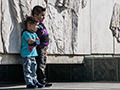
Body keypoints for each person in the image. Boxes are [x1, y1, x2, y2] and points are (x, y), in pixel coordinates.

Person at [32, 5, 52, 87]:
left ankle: (43, 80)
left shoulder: (41, 24)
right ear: (35, 15)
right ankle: (41, 81)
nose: (43, 17)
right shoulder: (35, 25)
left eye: (44, 15)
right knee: (40, 64)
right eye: (42, 15)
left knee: (43, 63)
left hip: (44, 48)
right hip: (39, 48)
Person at [20, 16, 43, 88]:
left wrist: (35, 41)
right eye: (36, 25)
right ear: (29, 25)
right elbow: (30, 41)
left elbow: (38, 41)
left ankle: (35, 81)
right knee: (28, 69)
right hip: (26, 55)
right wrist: (35, 41)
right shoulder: (26, 33)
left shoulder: (34, 34)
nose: (37, 27)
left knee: (33, 69)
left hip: (33, 54)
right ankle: (29, 82)